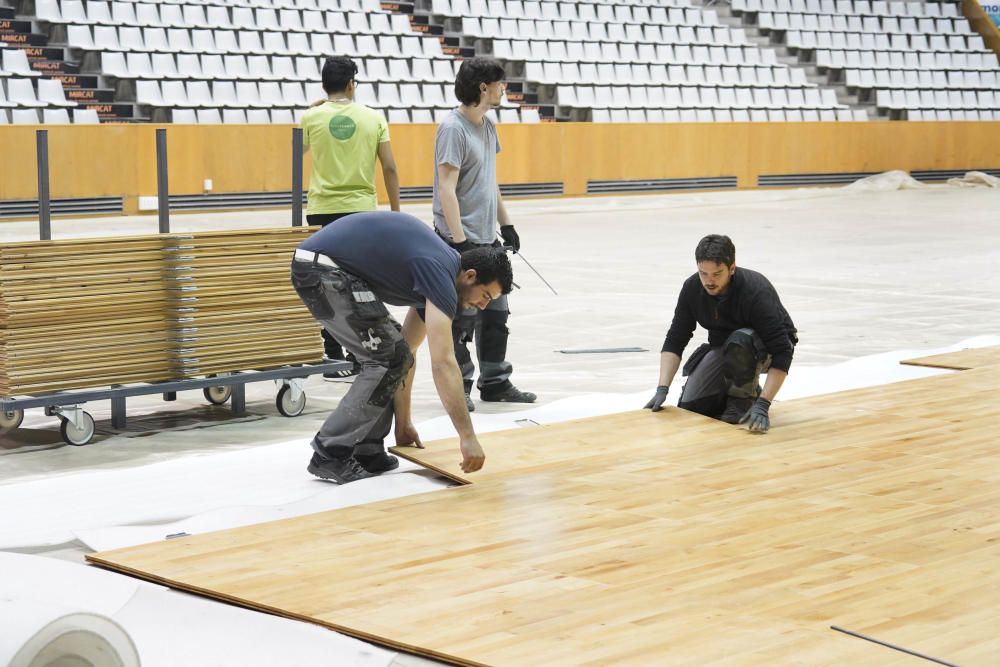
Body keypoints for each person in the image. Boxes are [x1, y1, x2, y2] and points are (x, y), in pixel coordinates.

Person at [290, 211, 514, 483]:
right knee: (385, 357)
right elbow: (443, 363)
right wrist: (467, 437)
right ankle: (330, 452)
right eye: (485, 295)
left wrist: (403, 423)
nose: (483, 306)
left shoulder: (439, 274)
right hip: (320, 268)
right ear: (469, 276)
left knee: (394, 353)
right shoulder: (440, 275)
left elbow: (408, 351)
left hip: (330, 268)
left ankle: (365, 449)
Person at [432, 56, 535, 411]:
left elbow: (491, 182)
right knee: (461, 319)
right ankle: (458, 385)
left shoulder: (488, 126)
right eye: (499, 85)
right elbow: (447, 187)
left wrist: (505, 223)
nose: (503, 90)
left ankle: (496, 382)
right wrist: (460, 242)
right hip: (458, 240)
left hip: (487, 238)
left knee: (496, 312)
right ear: (483, 87)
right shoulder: (453, 128)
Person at [300, 55, 401, 378]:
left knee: (324, 282)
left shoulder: (311, 118)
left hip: (322, 210)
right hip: (360, 211)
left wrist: (312, 113)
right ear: (351, 84)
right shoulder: (373, 118)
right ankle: (360, 355)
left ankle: (331, 356)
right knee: (358, 283)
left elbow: (292, 153)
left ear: (324, 85)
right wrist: (396, 213)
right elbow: (389, 167)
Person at [644, 234, 797, 433]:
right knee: (693, 408)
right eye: (703, 273)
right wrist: (662, 388)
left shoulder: (755, 291)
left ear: (731, 268)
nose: (709, 281)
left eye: (716, 274)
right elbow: (675, 338)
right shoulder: (692, 288)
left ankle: (743, 399)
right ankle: (744, 388)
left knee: (741, 339)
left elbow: (783, 351)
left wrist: (764, 403)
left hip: (765, 349)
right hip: (725, 347)